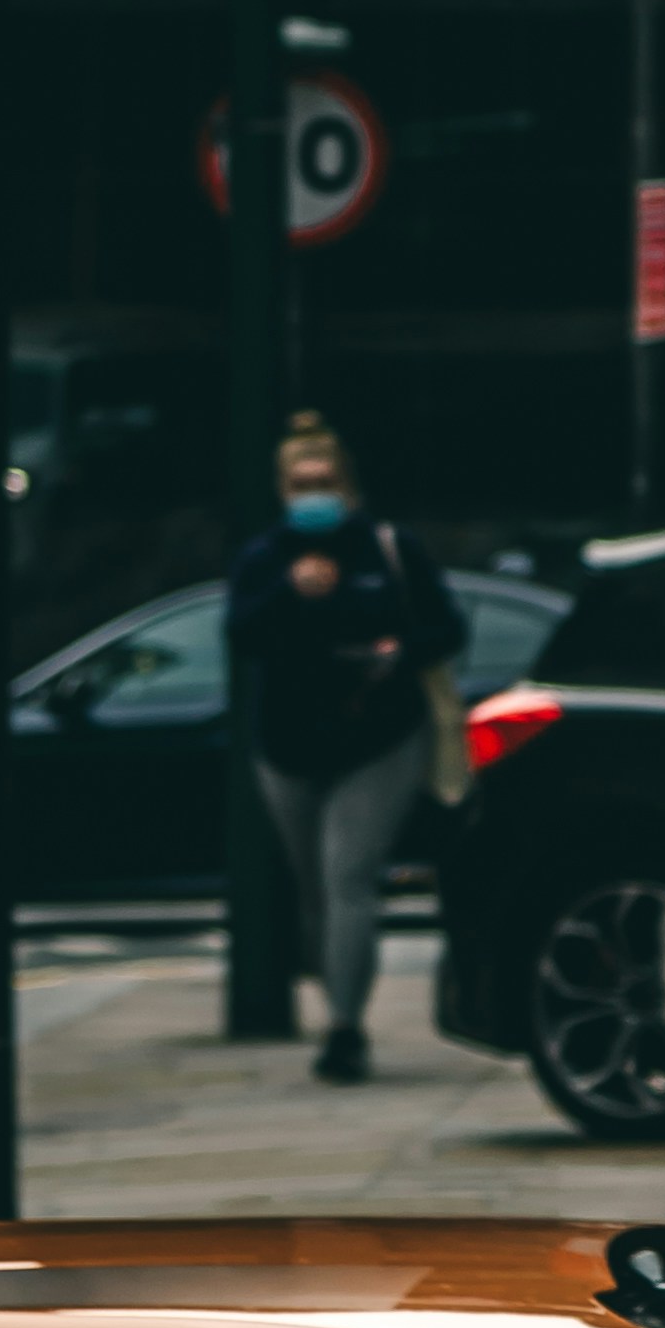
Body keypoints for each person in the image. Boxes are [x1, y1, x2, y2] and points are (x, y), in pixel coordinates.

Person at [226, 413, 467, 1083]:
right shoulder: (265, 559)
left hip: (377, 738)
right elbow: (243, 635)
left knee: (348, 879)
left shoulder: (389, 550)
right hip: (290, 745)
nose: (314, 495)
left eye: (325, 482)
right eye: (301, 484)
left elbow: (445, 627)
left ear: (349, 485)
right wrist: (289, 594)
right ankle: (334, 987)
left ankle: (344, 1027)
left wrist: (394, 653)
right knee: (315, 890)